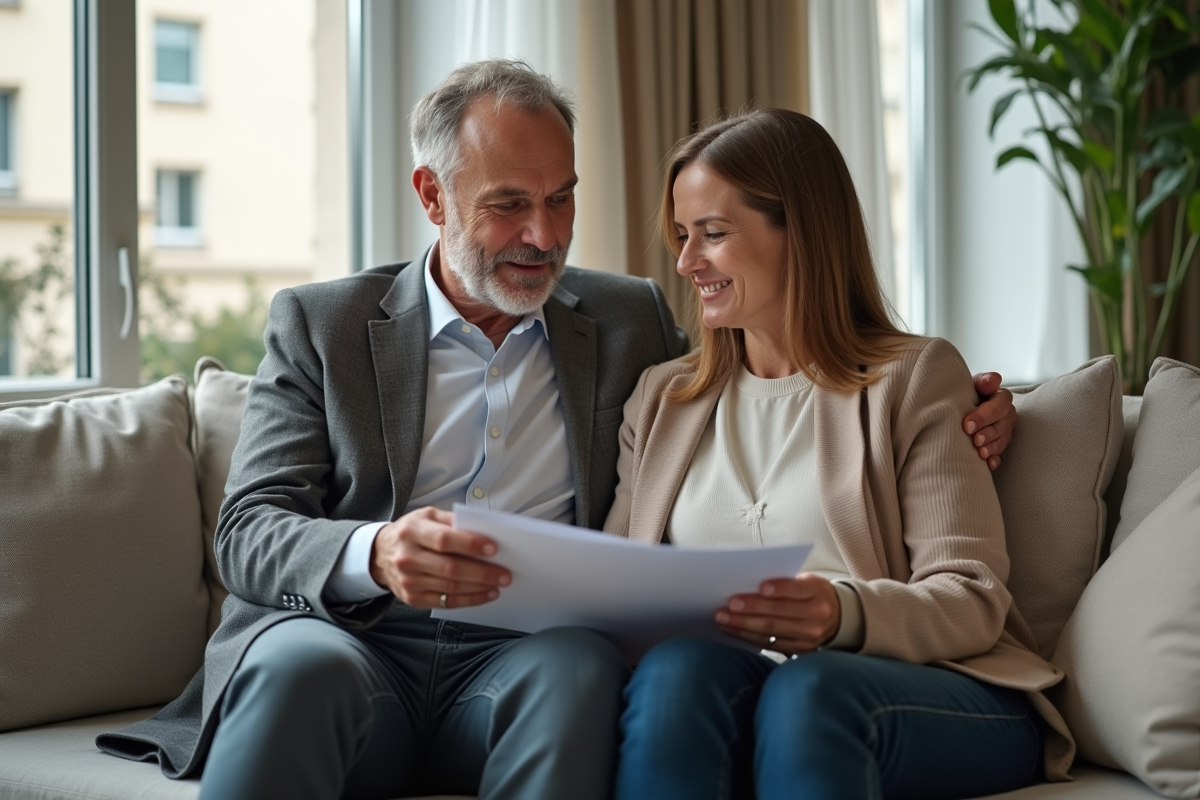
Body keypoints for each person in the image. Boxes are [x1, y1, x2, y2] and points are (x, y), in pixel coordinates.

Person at [96, 61, 1019, 799]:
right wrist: (375, 551)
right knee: (301, 672)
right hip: (349, 640)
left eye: (563, 198)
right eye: (508, 203)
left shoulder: (631, 327)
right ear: (433, 194)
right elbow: (250, 531)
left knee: (581, 666)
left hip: (525, 661)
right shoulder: (324, 324)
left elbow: (830, 371)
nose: (543, 233)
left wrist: (980, 402)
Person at [604, 109, 1070, 800]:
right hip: (743, 681)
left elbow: (971, 598)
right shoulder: (661, 400)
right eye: (681, 235)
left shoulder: (914, 379)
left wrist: (839, 613)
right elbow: (618, 587)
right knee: (673, 677)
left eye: (714, 234)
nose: (685, 262)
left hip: (927, 687)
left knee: (809, 687)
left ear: (802, 231)